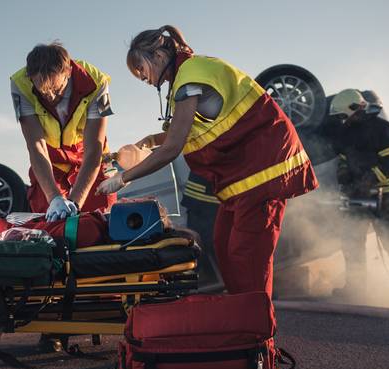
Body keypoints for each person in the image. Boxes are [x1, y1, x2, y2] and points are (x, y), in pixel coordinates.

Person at [97, 25, 318, 297]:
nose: (141, 77)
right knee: (223, 244)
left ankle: (257, 334)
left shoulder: (190, 77)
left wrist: (122, 179)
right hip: (242, 179)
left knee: (246, 255)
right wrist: (149, 141)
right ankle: (243, 320)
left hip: (262, 172)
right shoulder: (188, 75)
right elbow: (184, 132)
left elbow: (173, 148)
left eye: (140, 68)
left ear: (157, 55)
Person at [10, 42, 116, 222]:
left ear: (68, 72)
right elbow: (36, 147)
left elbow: (93, 151)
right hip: (50, 155)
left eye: (55, 90)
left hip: (88, 151)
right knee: (48, 218)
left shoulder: (97, 82)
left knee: (101, 216)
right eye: (42, 92)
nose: (50, 98)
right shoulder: (20, 84)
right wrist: (54, 198)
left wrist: (74, 203)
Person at [328, 89, 389, 296]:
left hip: (383, 196)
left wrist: (369, 180)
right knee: (350, 242)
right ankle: (355, 289)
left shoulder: (383, 129)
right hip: (354, 197)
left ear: (356, 109)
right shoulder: (344, 134)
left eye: (343, 116)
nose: (342, 121)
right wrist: (344, 178)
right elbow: (342, 160)